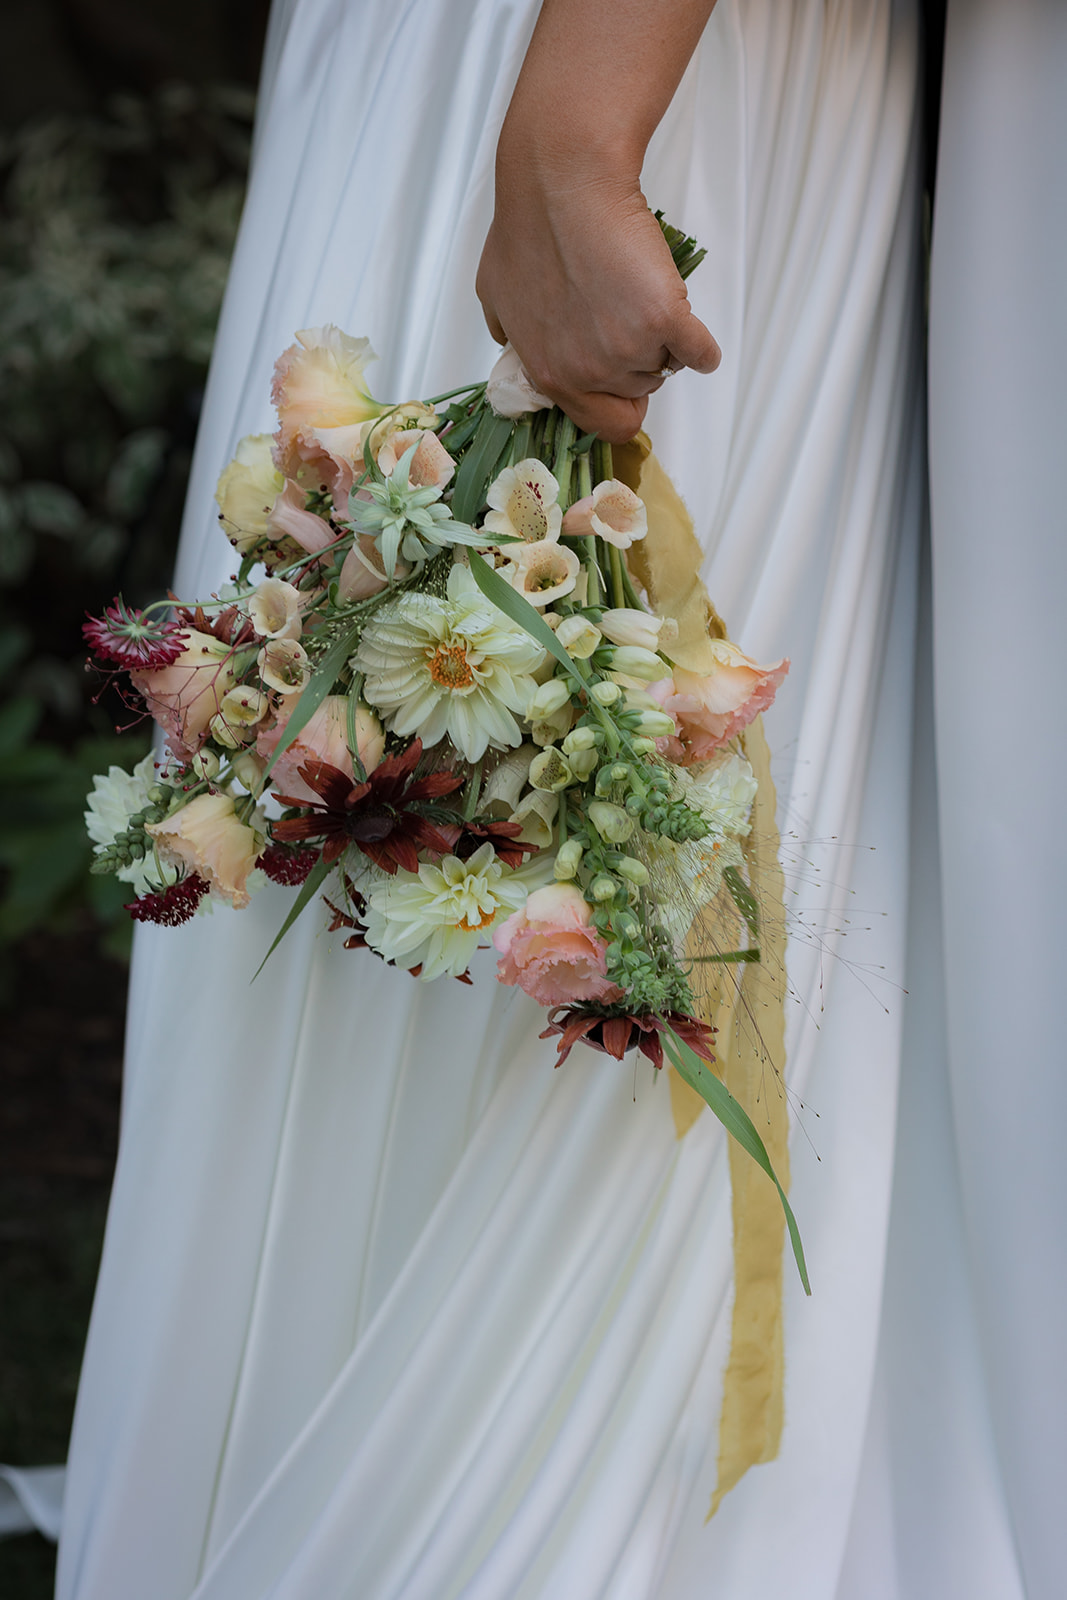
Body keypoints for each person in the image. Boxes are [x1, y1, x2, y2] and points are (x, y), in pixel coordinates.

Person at [49, 1, 1059, 1596]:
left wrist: (579, 127)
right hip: (522, 65)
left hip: (615, 75)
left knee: (527, 789)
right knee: (371, 687)